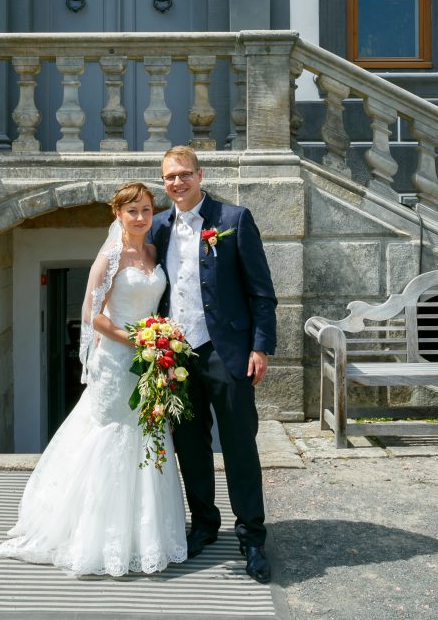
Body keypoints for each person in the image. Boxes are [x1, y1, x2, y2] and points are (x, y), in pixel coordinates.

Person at [0, 181, 187, 577]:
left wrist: (159, 341)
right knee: (113, 435)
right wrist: (136, 339)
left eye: (146, 210)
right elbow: (92, 314)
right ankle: (98, 533)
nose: (140, 217)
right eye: (131, 211)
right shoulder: (109, 257)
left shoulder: (153, 252)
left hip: (152, 360)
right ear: (118, 215)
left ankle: (143, 534)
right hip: (118, 360)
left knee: (147, 433)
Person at [150, 146, 277, 584]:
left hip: (227, 351)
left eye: (185, 174)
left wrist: (260, 348)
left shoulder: (233, 220)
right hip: (176, 355)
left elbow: (261, 290)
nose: (178, 183)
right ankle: (204, 523)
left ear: (200, 176)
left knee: (240, 443)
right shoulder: (158, 226)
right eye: (169, 177)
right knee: (189, 443)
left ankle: (252, 535)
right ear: (163, 182)